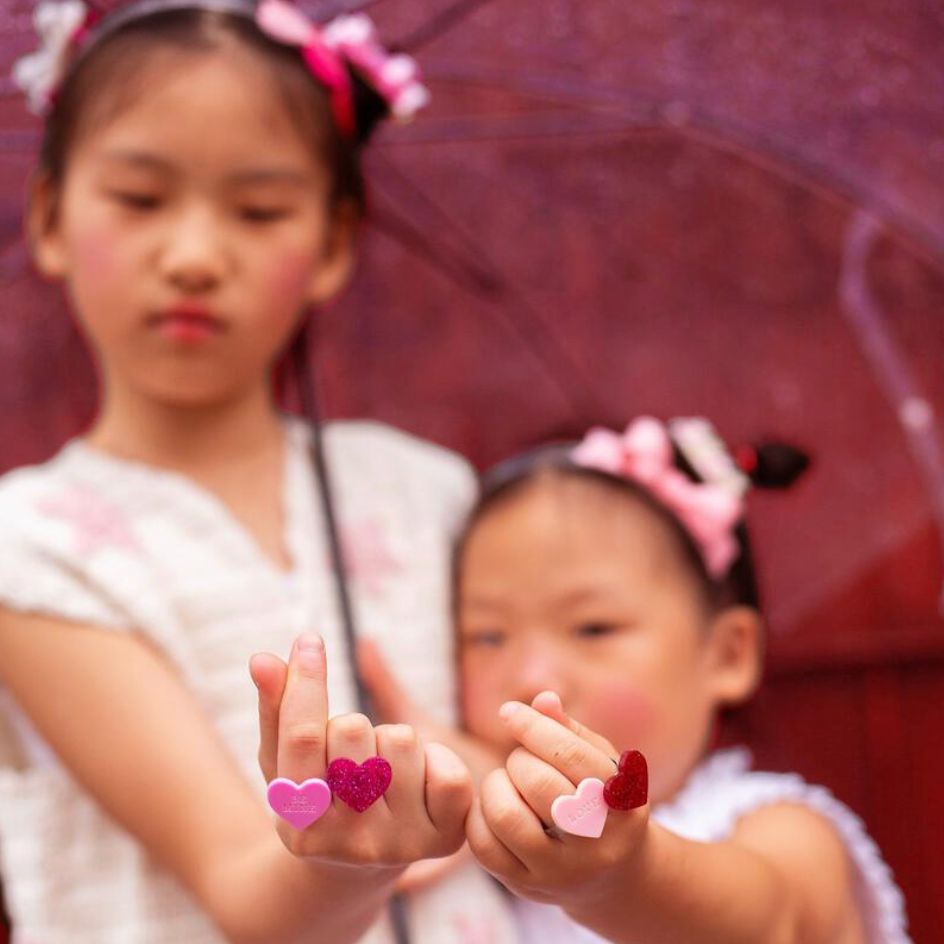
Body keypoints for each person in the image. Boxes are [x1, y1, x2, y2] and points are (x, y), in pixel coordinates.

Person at [0, 3, 517, 943]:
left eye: (260, 211)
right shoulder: (28, 547)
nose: (195, 257)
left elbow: (529, 767)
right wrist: (351, 852)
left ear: (330, 245)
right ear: (49, 218)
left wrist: (464, 775)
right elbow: (244, 885)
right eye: (140, 198)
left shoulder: (426, 491)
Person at [453, 416, 911, 944]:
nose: (532, 676)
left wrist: (621, 876)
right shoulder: (475, 876)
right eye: (486, 636)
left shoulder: (777, 828)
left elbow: (773, 922)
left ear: (727, 654)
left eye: (593, 627)